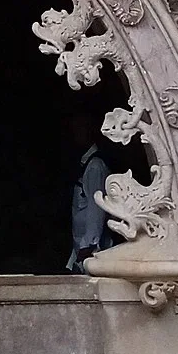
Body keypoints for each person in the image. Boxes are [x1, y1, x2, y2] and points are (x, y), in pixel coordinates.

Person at [66, 107, 114, 272]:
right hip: (80, 244)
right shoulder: (84, 163)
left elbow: (96, 207)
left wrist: (89, 244)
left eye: (79, 128)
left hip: (91, 248)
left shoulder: (95, 166)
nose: (75, 134)